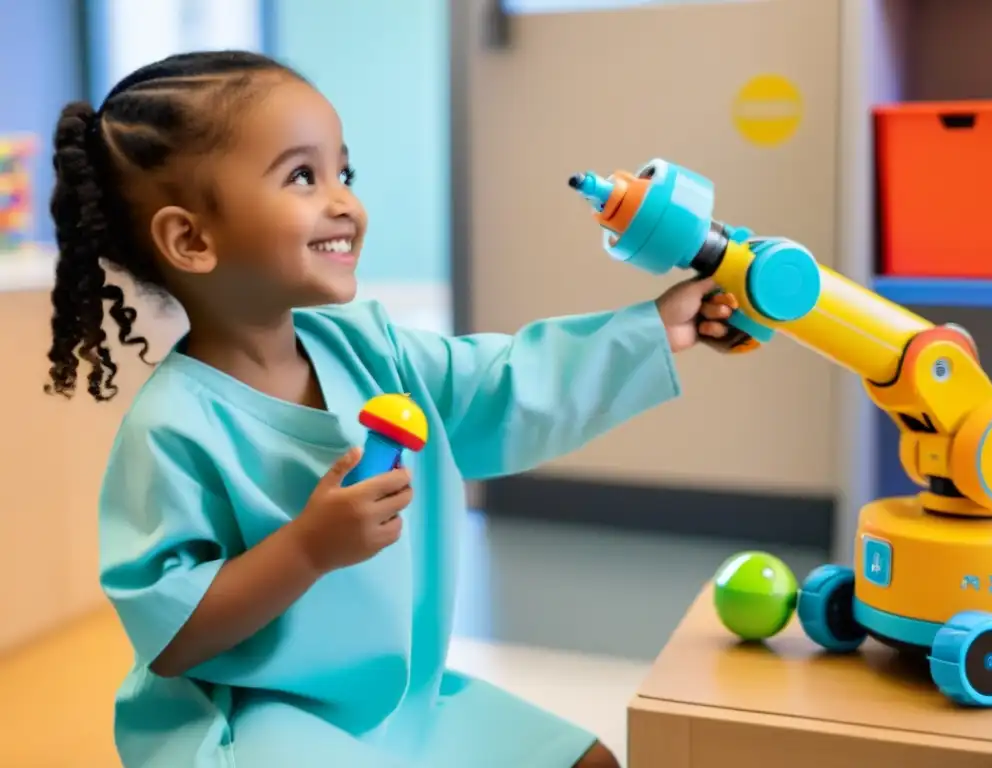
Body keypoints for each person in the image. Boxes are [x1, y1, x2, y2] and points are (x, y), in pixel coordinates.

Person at [46, 51, 735, 768]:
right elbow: (174, 635)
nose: (344, 202)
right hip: (252, 714)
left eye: (343, 173)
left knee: (590, 761)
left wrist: (655, 328)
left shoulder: (369, 350)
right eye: (302, 177)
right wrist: (306, 549)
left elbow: (504, 384)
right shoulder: (174, 427)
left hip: (399, 701)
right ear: (192, 240)